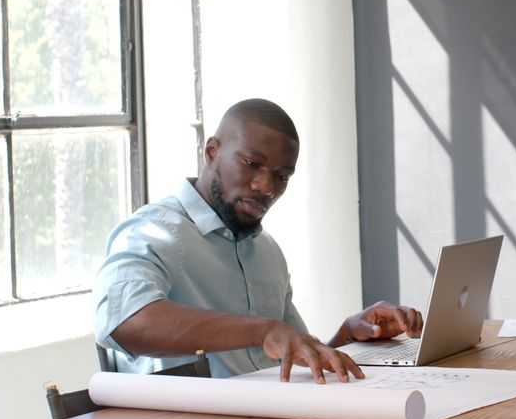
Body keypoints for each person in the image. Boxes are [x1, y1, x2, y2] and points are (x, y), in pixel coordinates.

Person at [93, 98, 423, 384]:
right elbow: (125, 322)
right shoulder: (152, 232)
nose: (266, 186)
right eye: (252, 164)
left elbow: (292, 354)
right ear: (212, 151)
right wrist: (263, 331)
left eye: (282, 176)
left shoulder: (266, 251)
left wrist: (348, 335)